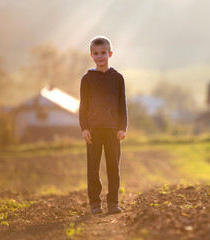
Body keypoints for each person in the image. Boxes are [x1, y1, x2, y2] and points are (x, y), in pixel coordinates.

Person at [79, 36, 128, 215]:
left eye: (103, 53)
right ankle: (95, 203)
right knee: (93, 168)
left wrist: (123, 127)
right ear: (91, 55)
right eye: (96, 53)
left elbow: (122, 104)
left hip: (113, 130)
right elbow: (83, 105)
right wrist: (84, 128)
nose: (100, 56)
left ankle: (113, 202)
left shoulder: (117, 78)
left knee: (113, 167)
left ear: (110, 53)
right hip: (93, 130)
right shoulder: (87, 79)